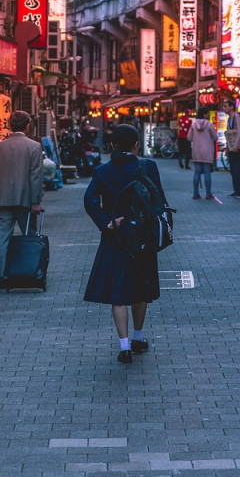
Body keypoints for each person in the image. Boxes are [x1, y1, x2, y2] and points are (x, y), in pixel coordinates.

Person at [83, 125, 164, 364]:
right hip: (143, 237)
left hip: (115, 237)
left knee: (119, 293)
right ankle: (139, 337)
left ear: (112, 145)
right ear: (136, 145)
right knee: (142, 289)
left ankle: (124, 346)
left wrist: (107, 222)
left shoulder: (102, 171)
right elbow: (159, 200)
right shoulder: (148, 167)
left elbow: (89, 200)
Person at [0, 110, 44, 289]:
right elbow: (35, 176)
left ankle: (3, 276)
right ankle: (29, 272)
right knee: (30, 236)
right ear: (28, 126)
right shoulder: (34, 147)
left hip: (3, 199)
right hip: (26, 200)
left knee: (2, 238)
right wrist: (36, 201)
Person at [187, 109, 217, 200]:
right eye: (207, 113)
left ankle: (195, 193)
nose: (208, 114)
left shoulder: (193, 124)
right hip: (207, 151)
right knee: (207, 173)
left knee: (197, 173)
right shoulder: (209, 124)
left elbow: (189, 138)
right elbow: (215, 137)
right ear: (204, 114)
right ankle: (208, 194)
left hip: (197, 151)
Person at [225, 105, 240, 198]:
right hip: (231, 147)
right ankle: (237, 190)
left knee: (238, 169)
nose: (224, 108)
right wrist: (228, 148)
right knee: (233, 170)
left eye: (225, 106)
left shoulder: (236, 117)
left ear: (231, 107)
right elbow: (229, 134)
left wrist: (236, 145)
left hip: (237, 148)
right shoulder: (229, 119)